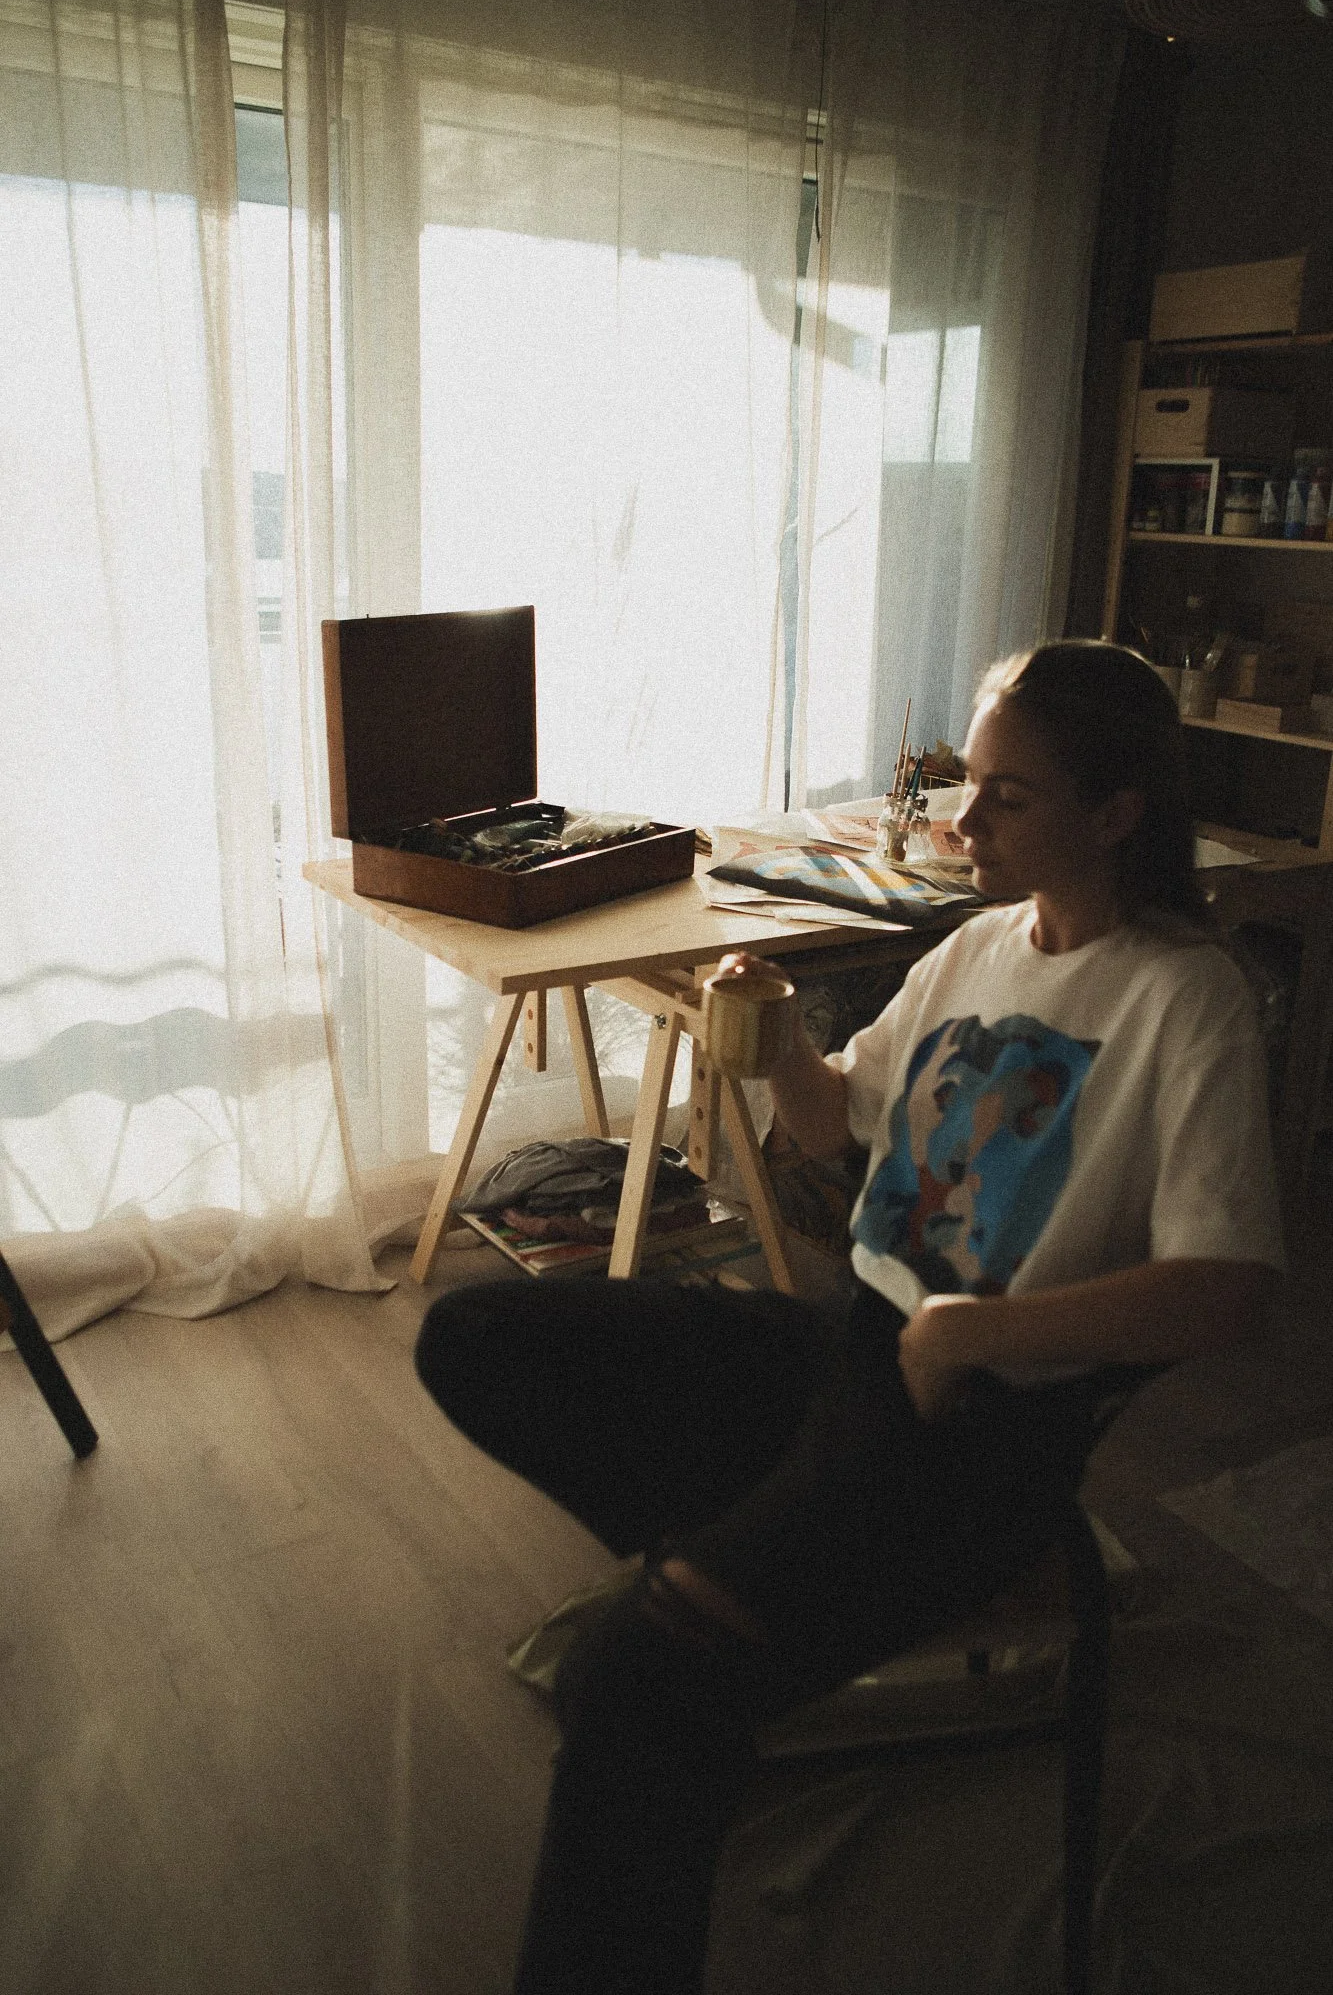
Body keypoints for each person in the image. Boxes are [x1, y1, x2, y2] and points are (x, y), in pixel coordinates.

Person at [414, 639, 1284, 1995]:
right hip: (846, 1342)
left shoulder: (1186, 997)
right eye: (969, 784)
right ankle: (747, 1583)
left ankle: (725, 1621)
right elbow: (837, 1122)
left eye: (1008, 797)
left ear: (1117, 813)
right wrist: (765, 1040)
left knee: (630, 1682)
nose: (964, 822)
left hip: (982, 1427)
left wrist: (970, 1333)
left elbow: (1228, 1288)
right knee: (478, 1339)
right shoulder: (977, 947)